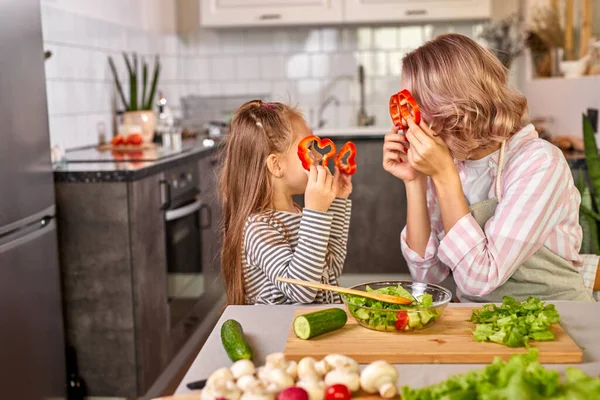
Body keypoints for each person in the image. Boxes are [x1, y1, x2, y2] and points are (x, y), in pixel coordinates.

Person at [383, 34, 593, 302]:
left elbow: (479, 279)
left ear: (455, 107)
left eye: (416, 106)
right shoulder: (450, 161)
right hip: (483, 324)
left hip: (558, 320)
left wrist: (444, 177)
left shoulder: (539, 163)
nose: (408, 121)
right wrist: (414, 181)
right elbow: (428, 275)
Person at [219, 100, 352, 305]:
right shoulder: (258, 229)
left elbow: (330, 268)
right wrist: (316, 213)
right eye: (309, 147)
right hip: (283, 335)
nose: (318, 156)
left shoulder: (297, 214)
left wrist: (338, 201)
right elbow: (302, 290)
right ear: (276, 165)